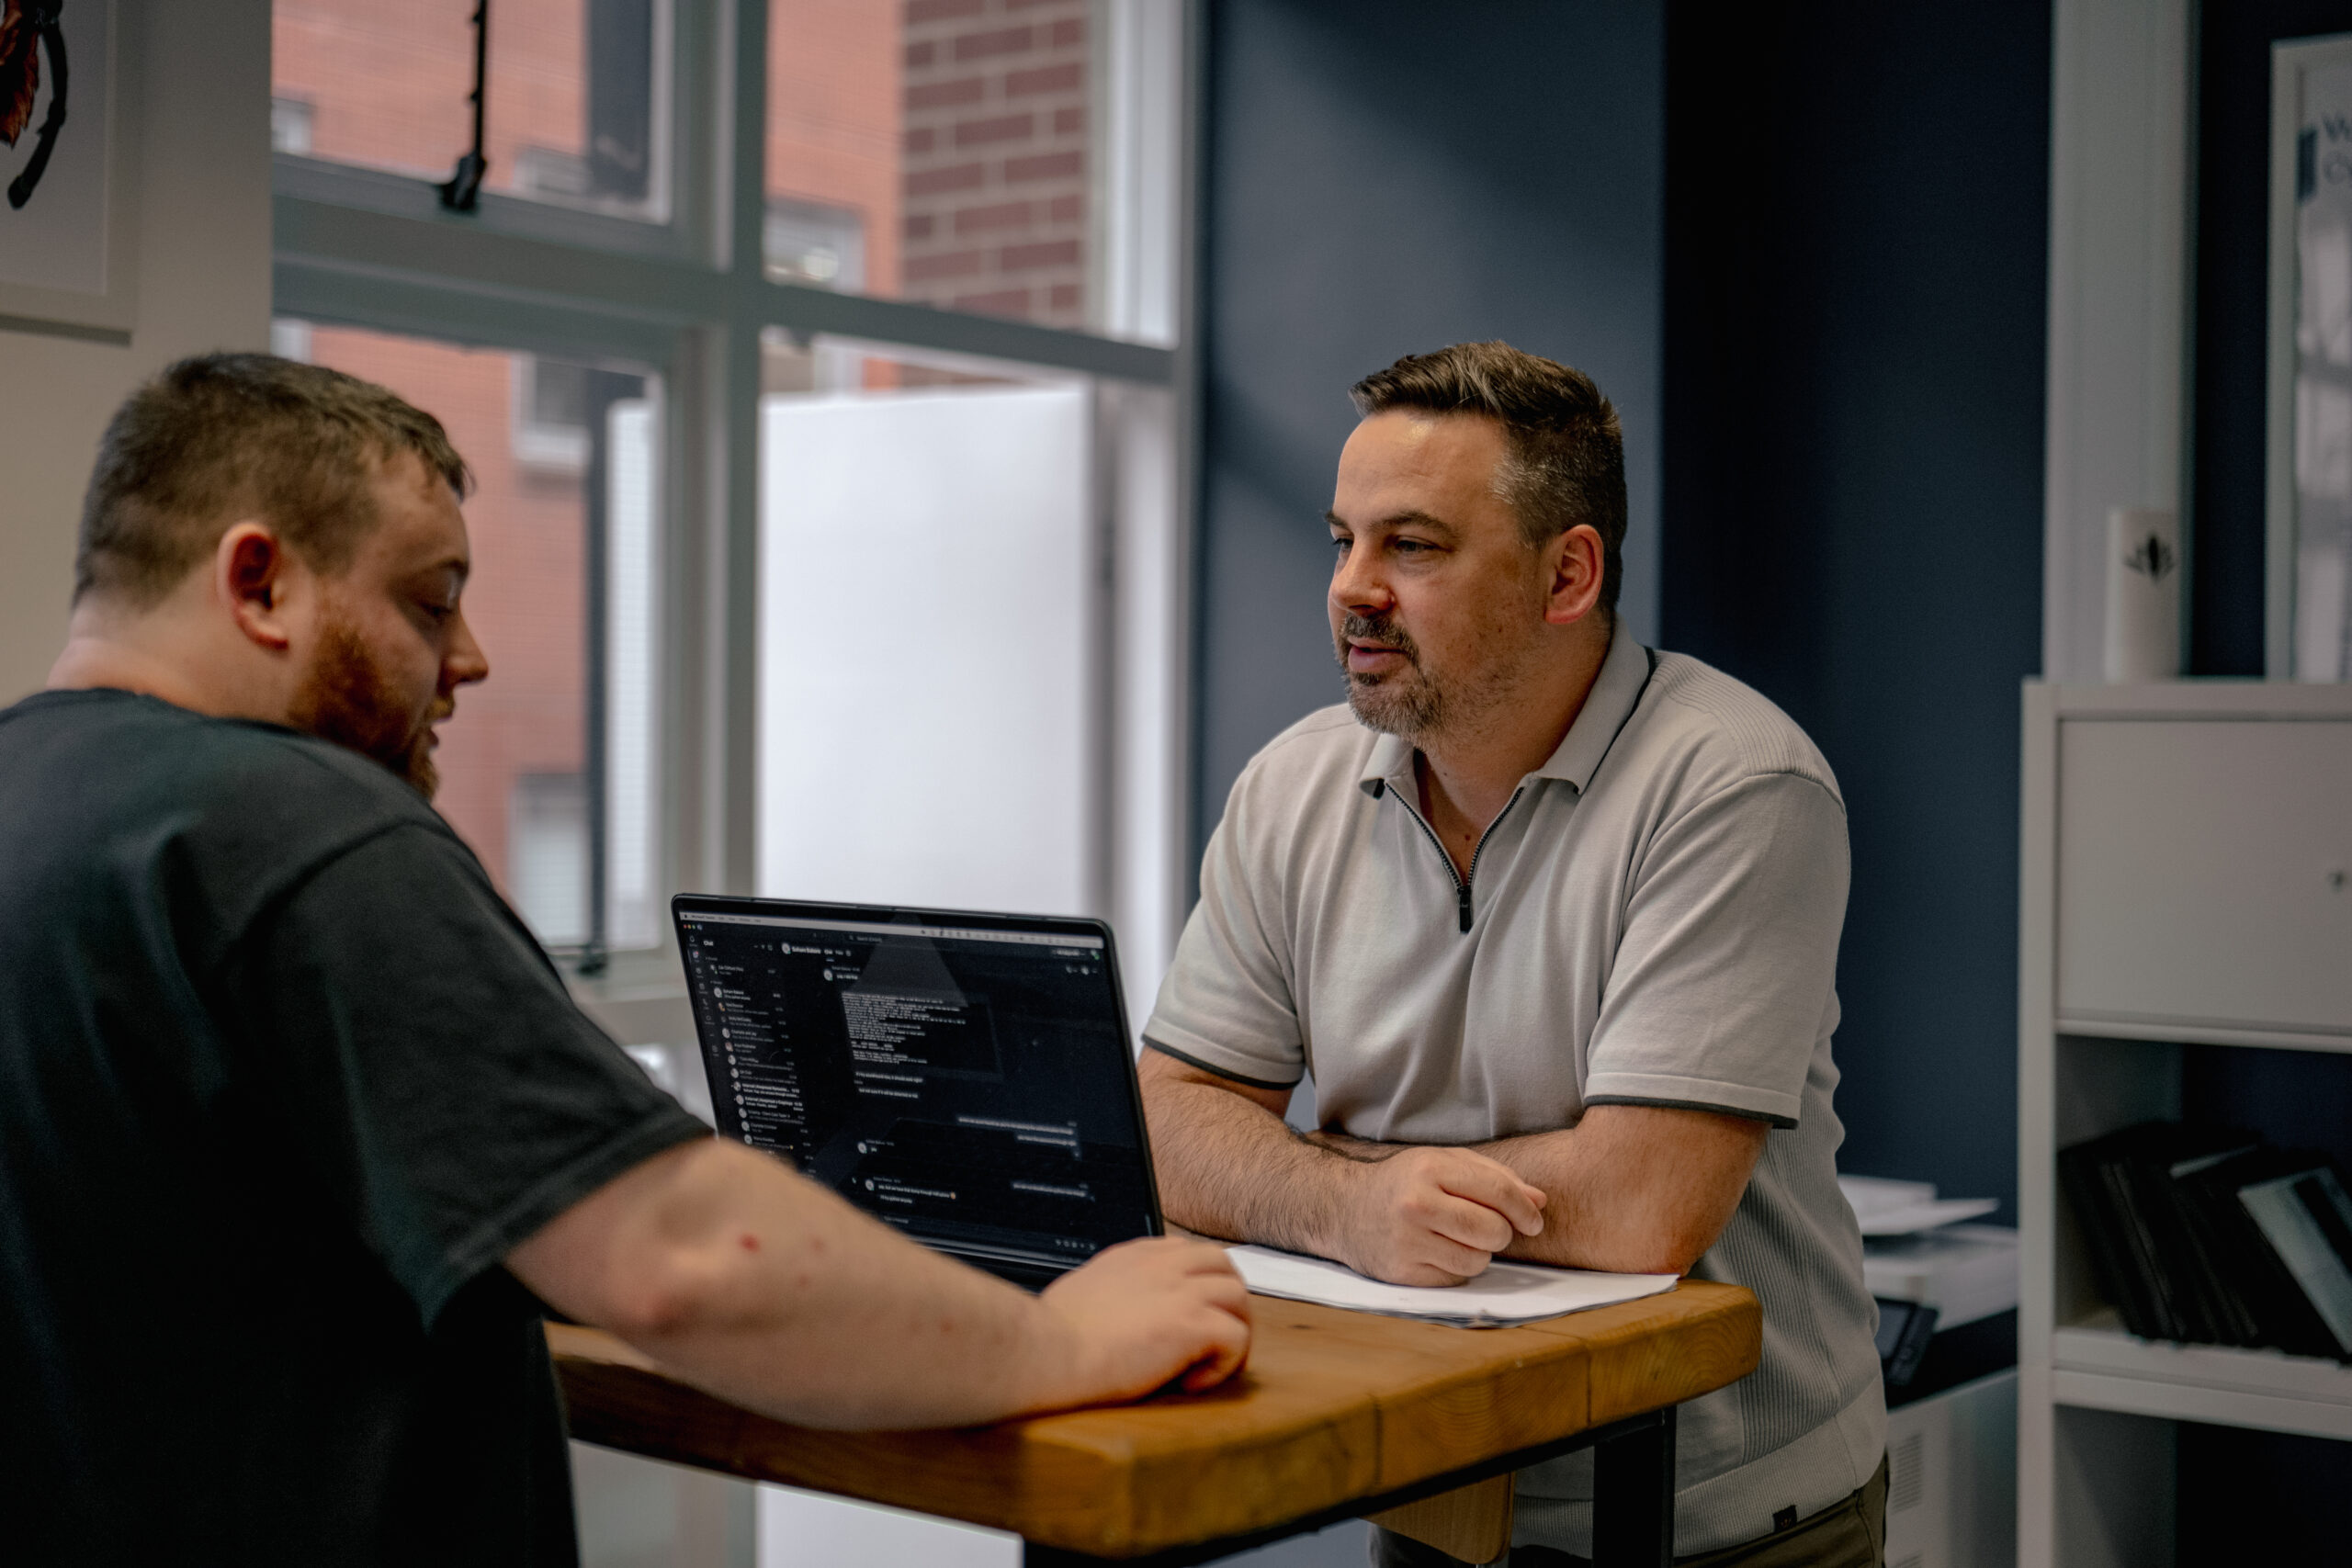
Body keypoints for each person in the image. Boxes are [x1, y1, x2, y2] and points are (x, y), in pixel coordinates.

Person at [0, 353, 1250, 1566]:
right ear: (260, 582)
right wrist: (1059, 1343)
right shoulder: (295, 832)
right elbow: (685, 1258)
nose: (473, 657)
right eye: (431, 600)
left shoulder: (36, 802)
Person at [1138, 343, 1884, 1567]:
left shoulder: (1738, 784)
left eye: (1412, 546)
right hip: (1437, 1483)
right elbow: (1169, 1124)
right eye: (1343, 541)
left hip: (1725, 1520)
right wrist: (1354, 1205)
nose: (1353, 588)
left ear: (1568, 575)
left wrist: (1301, 1173)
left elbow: (1642, 1203)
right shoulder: (1291, 787)